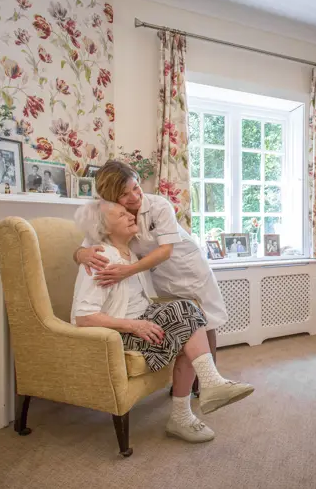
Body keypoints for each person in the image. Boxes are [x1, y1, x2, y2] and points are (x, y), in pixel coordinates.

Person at [71, 200, 253, 443]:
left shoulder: (130, 253)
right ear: (104, 228)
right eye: (122, 215)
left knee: (187, 313)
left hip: (140, 320)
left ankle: (198, 397)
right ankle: (193, 404)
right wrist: (135, 326)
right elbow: (84, 317)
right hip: (118, 334)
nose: (131, 216)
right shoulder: (101, 259)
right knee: (185, 318)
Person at [73, 160, 228, 395]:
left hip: (186, 268)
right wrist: (81, 254)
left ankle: (206, 385)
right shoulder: (109, 216)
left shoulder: (158, 206)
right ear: (112, 196)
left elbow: (165, 251)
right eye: (125, 194)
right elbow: (86, 245)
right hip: (153, 274)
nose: (135, 196)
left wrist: (127, 270)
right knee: (184, 319)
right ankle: (185, 386)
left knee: (206, 321)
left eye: (136, 187)